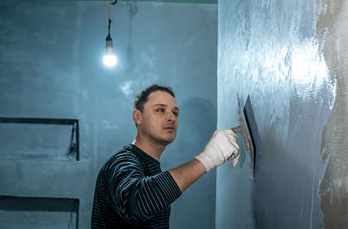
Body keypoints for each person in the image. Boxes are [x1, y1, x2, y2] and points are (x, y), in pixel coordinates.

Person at [91, 84, 240, 228]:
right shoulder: (122, 163)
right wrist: (209, 157)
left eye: (175, 113)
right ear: (138, 117)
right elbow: (137, 203)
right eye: (160, 110)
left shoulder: (151, 167)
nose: (171, 118)